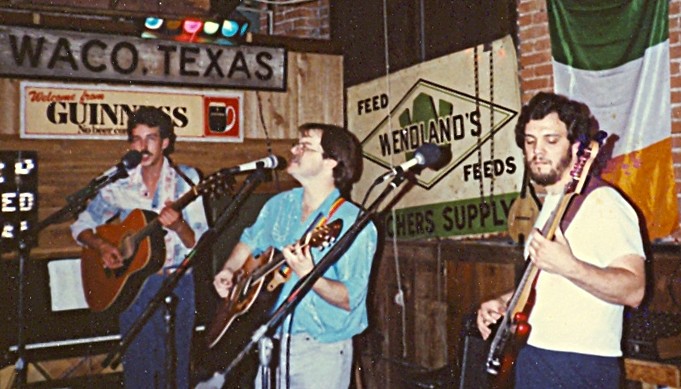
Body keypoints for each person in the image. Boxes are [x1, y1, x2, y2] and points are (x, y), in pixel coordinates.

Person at [476, 92, 646, 388]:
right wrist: (504, 302)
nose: (537, 151)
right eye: (530, 141)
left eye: (551, 140)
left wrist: (569, 266)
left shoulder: (603, 203)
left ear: (577, 146)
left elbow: (634, 289)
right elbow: (549, 285)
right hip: (534, 356)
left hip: (579, 365)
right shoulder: (552, 206)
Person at [213, 123, 378, 388]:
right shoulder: (279, 205)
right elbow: (248, 242)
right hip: (271, 342)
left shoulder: (353, 222)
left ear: (331, 162)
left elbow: (351, 299)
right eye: (296, 143)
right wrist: (229, 271)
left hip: (322, 349)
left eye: (305, 146)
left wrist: (310, 277)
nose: (293, 149)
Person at [71, 106, 209, 388]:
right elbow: (81, 224)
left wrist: (180, 226)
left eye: (151, 138)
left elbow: (201, 243)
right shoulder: (120, 183)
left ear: (166, 143)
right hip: (133, 288)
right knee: (138, 370)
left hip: (176, 283)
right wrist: (100, 246)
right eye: (136, 139)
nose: (143, 147)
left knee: (175, 368)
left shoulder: (186, 180)